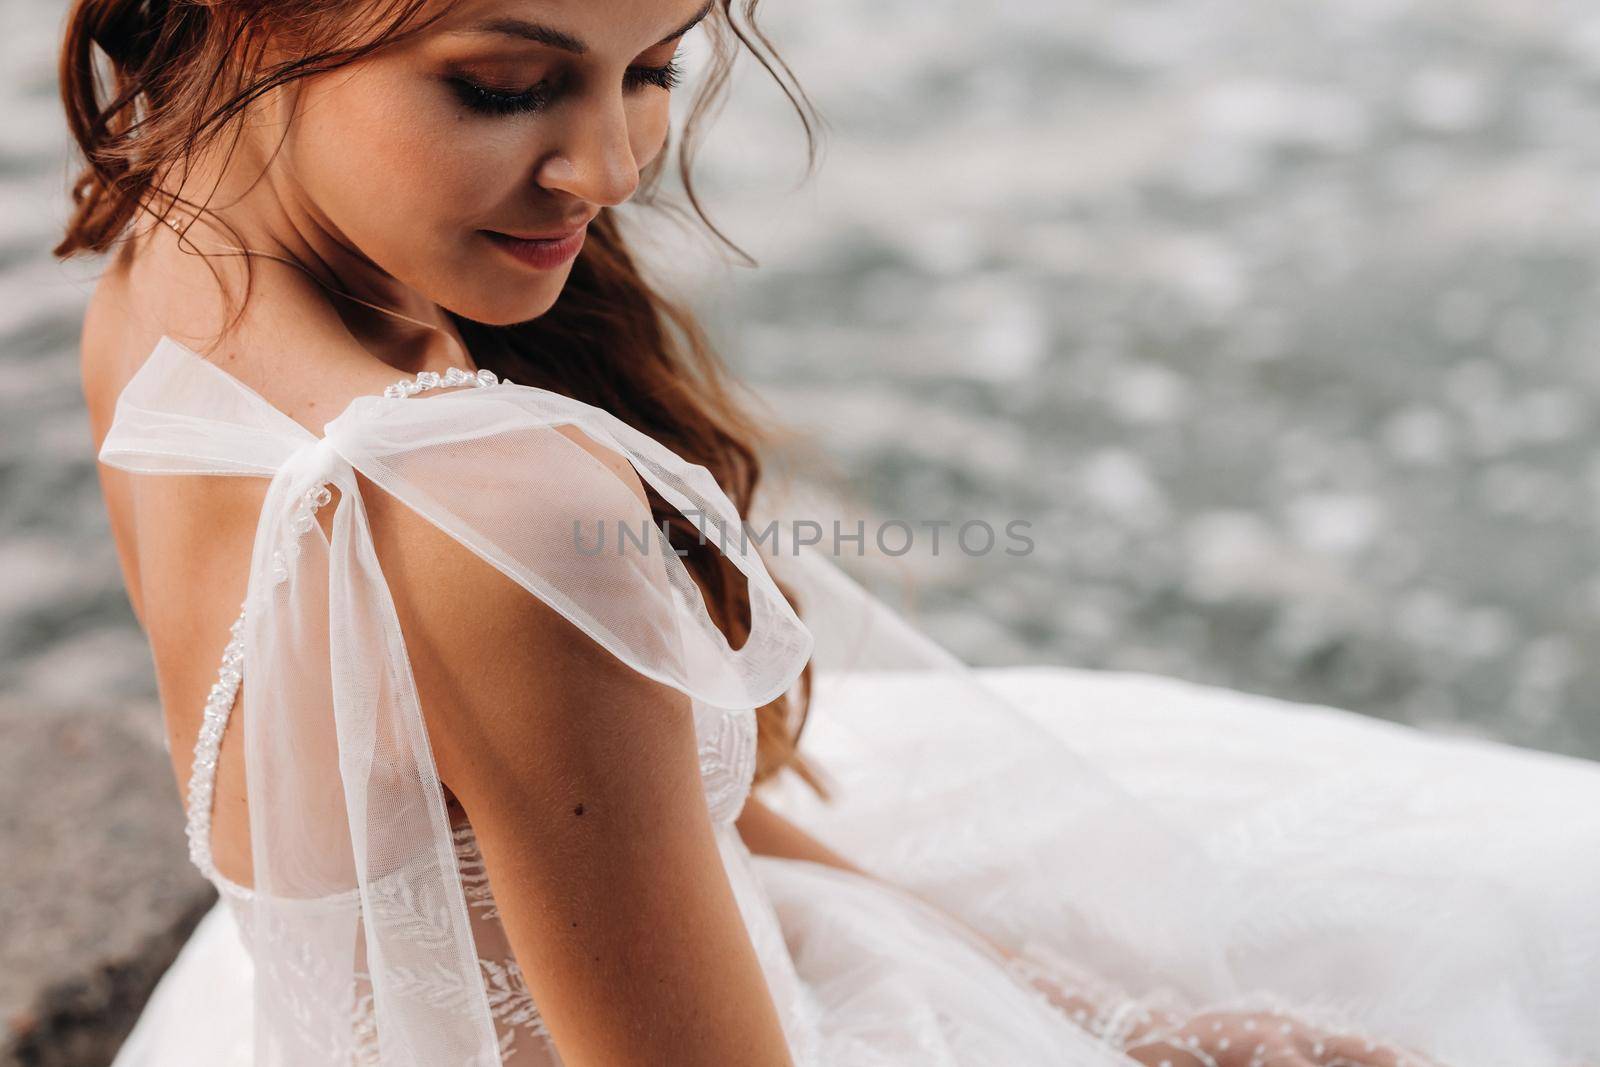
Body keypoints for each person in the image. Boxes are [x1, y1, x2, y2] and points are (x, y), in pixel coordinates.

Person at [56, 1, 1600, 1065]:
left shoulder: (164, 253)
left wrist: (1104, 1014)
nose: (606, 169)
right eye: (505, 85)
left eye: (651, 66)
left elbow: (549, 810)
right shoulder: (494, 508)